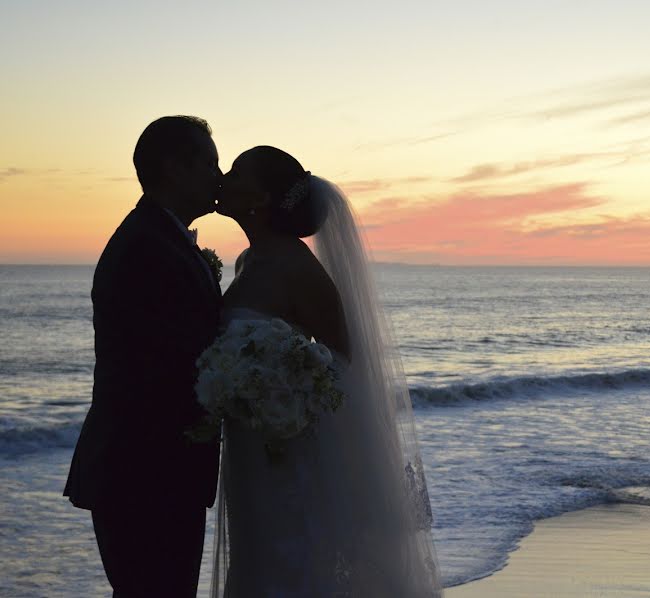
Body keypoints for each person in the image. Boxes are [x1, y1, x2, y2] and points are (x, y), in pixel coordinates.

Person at [212, 145, 442, 596]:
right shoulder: (248, 260)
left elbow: (342, 362)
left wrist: (284, 391)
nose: (224, 177)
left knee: (289, 556)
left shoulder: (298, 267)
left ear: (260, 198)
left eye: (237, 172)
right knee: (256, 554)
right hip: (249, 447)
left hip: (284, 447)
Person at [64, 116, 223, 597]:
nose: (220, 178)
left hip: (154, 471)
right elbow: (171, 367)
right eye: (210, 165)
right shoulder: (147, 248)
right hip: (145, 473)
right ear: (175, 169)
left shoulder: (161, 238)